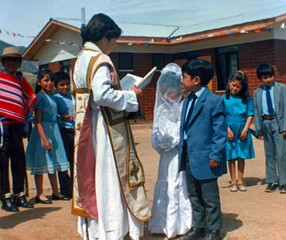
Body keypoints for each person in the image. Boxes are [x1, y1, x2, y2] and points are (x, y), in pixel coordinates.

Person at [72, 13, 151, 240]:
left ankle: (97, 229)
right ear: (104, 38)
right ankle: (113, 229)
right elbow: (102, 94)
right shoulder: (101, 60)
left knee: (93, 175)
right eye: (114, 40)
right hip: (104, 127)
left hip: (87, 125)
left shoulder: (80, 58)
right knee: (109, 177)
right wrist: (131, 94)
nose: (115, 45)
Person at [178, 59, 227, 240]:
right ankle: (198, 226)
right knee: (194, 195)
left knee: (210, 197)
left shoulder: (213, 101)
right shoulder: (187, 100)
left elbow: (219, 131)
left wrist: (215, 154)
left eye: (184, 77)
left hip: (207, 157)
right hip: (190, 155)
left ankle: (213, 230)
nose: (182, 81)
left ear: (196, 80)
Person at [148, 63, 192, 238]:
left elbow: (186, 130)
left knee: (178, 183)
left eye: (172, 91)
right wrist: (160, 141)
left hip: (179, 153)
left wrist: (175, 140)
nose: (169, 95)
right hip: (166, 155)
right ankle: (162, 223)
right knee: (165, 182)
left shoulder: (184, 106)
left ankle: (179, 225)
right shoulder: (161, 109)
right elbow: (155, 132)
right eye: (165, 91)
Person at [0, 47, 37, 212]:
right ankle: (5, 196)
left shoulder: (21, 79)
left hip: (17, 126)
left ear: (19, 63)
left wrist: (26, 123)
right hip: (2, 126)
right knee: (2, 162)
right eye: (8, 60)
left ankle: (19, 194)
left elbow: (27, 100)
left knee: (18, 161)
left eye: (15, 60)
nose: (11, 63)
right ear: (3, 62)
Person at [26, 69, 70, 204]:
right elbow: (38, 121)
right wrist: (44, 139)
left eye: (51, 81)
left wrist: (62, 117)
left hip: (54, 130)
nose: (49, 83)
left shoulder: (53, 96)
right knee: (41, 163)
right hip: (43, 133)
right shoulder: (39, 97)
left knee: (53, 162)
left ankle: (55, 191)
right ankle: (39, 193)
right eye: (46, 80)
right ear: (39, 82)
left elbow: (52, 114)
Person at [253, 63, 286, 193]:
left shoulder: (282, 88)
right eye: (265, 77)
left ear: (274, 75)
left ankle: (284, 182)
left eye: (270, 76)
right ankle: (272, 180)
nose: (268, 79)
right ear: (260, 79)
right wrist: (259, 129)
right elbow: (256, 110)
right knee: (269, 153)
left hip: (278, 123)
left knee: (281, 153)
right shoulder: (257, 92)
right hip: (265, 123)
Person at [221, 71, 255, 192]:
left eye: (238, 86)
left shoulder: (246, 100)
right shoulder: (224, 98)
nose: (235, 88)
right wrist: (227, 130)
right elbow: (221, 116)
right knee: (231, 155)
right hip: (229, 128)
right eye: (233, 85)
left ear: (242, 88)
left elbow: (250, 115)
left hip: (242, 128)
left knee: (241, 155)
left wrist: (246, 130)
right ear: (229, 83)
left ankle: (240, 180)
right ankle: (233, 181)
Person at [54, 71, 74, 199]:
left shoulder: (73, 97)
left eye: (67, 84)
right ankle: (65, 190)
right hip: (62, 132)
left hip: (74, 132)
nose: (65, 87)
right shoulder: (55, 98)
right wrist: (62, 117)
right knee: (63, 162)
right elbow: (52, 115)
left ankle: (75, 188)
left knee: (74, 161)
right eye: (61, 85)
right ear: (56, 86)